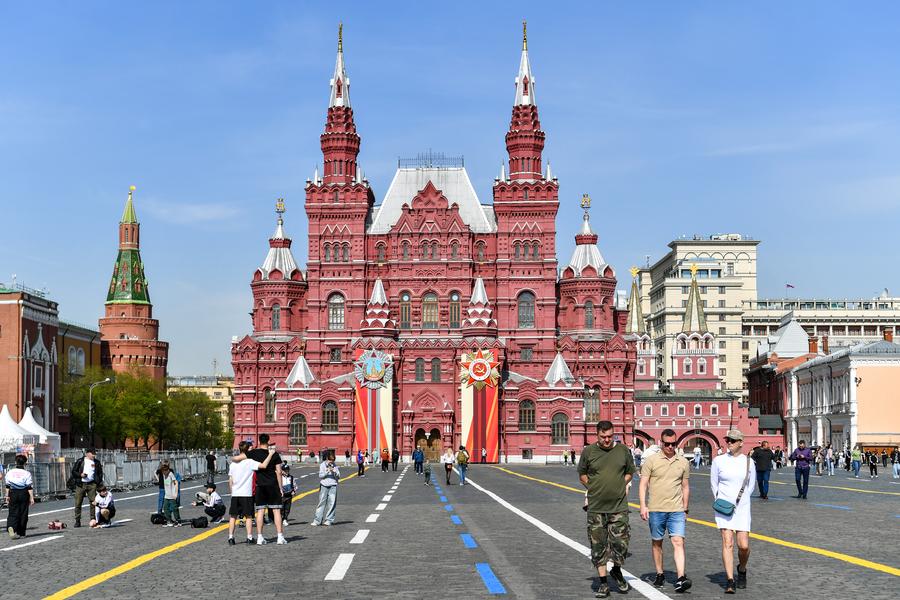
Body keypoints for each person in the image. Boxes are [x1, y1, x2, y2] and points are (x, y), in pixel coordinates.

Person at [578, 420, 636, 598]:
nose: (607, 440)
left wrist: (620, 484)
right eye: (603, 437)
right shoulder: (589, 451)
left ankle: (616, 570)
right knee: (598, 546)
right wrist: (593, 487)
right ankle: (603, 583)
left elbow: (630, 471)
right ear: (597, 435)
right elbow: (582, 474)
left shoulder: (623, 450)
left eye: (610, 436)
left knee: (621, 543)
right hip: (596, 507)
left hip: (618, 506)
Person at [639, 429, 692, 593]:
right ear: (661, 443)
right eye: (667, 444)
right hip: (656, 509)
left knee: (678, 542)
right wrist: (643, 505)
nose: (670, 447)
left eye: (673, 444)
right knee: (657, 542)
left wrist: (685, 508)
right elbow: (643, 484)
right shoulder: (651, 461)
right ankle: (660, 573)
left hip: (676, 509)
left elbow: (685, 487)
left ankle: (681, 577)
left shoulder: (683, 462)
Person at [711, 430, 755, 594]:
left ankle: (742, 568)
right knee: (727, 542)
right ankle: (730, 580)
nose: (729, 442)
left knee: (743, 546)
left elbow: (751, 486)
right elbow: (714, 484)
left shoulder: (749, 462)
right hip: (724, 507)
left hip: (742, 507)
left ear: (741, 443)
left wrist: (741, 501)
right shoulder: (718, 461)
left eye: (733, 440)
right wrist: (720, 500)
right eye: (728, 440)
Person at [227, 442, 275, 545]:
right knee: (248, 516)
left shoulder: (233, 463)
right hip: (246, 493)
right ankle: (249, 537)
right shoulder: (250, 462)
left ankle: (231, 537)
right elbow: (264, 465)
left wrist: (232, 492)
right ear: (248, 449)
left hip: (235, 493)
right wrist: (270, 454)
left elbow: (230, 480)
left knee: (233, 516)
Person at [246, 434, 287, 545]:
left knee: (260, 511)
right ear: (268, 441)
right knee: (276, 511)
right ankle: (280, 537)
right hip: (273, 485)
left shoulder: (253, 453)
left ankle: (260, 537)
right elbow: (279, 472)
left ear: (259, 441)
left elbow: (243, 459)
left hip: (260, 485)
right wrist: (280, 487)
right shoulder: (274, 454)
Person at [71, 448, 103, 528]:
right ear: (87, 453)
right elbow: (73, 471)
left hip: (92, 484)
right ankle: (77, 521)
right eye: (92, 454)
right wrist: (80, 475)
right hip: (81, 484)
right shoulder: (80, 461)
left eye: (95, 454)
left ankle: (93, 519)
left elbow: (100, 473)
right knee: (78, 503)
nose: (94, 455)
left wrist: (97, 482)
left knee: (93, 502)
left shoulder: (96, 462)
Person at [4, 454, 34, 539]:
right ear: (25, 463)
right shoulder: (27, 473)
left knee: (12, 512)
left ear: (15, 462)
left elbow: (7, 485)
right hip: (23, 493)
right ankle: (21, 533)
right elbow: (29, 487)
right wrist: (31, 497)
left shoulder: (10, 472)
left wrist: (7, 496)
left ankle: (11, 527)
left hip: (13, 493)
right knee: (23, 513)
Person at [312, 451, 340, 526]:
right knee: (321, 503)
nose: (331, 462)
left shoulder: (335, 465)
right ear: (327, 459)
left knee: (332, 503)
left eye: (333, 460)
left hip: (333, 485)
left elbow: (338, 476)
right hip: (324, 485)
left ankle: (329, 520)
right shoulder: (322, 465)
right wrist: (327, 472)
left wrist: (334, 471)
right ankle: (317, 520)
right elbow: (320, 476)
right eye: (330, 460)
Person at [159, 462, 182, 527]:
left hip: (172, 495)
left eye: (164, 471)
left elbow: (176, 483)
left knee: (174, 508)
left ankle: (178, 521)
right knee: (166, 508)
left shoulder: (171, 474)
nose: (163, 473)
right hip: (166, 495)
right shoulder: (164, 475)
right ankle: (169, 520)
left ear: (167, 470)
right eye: (162, 472)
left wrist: (176, 493)